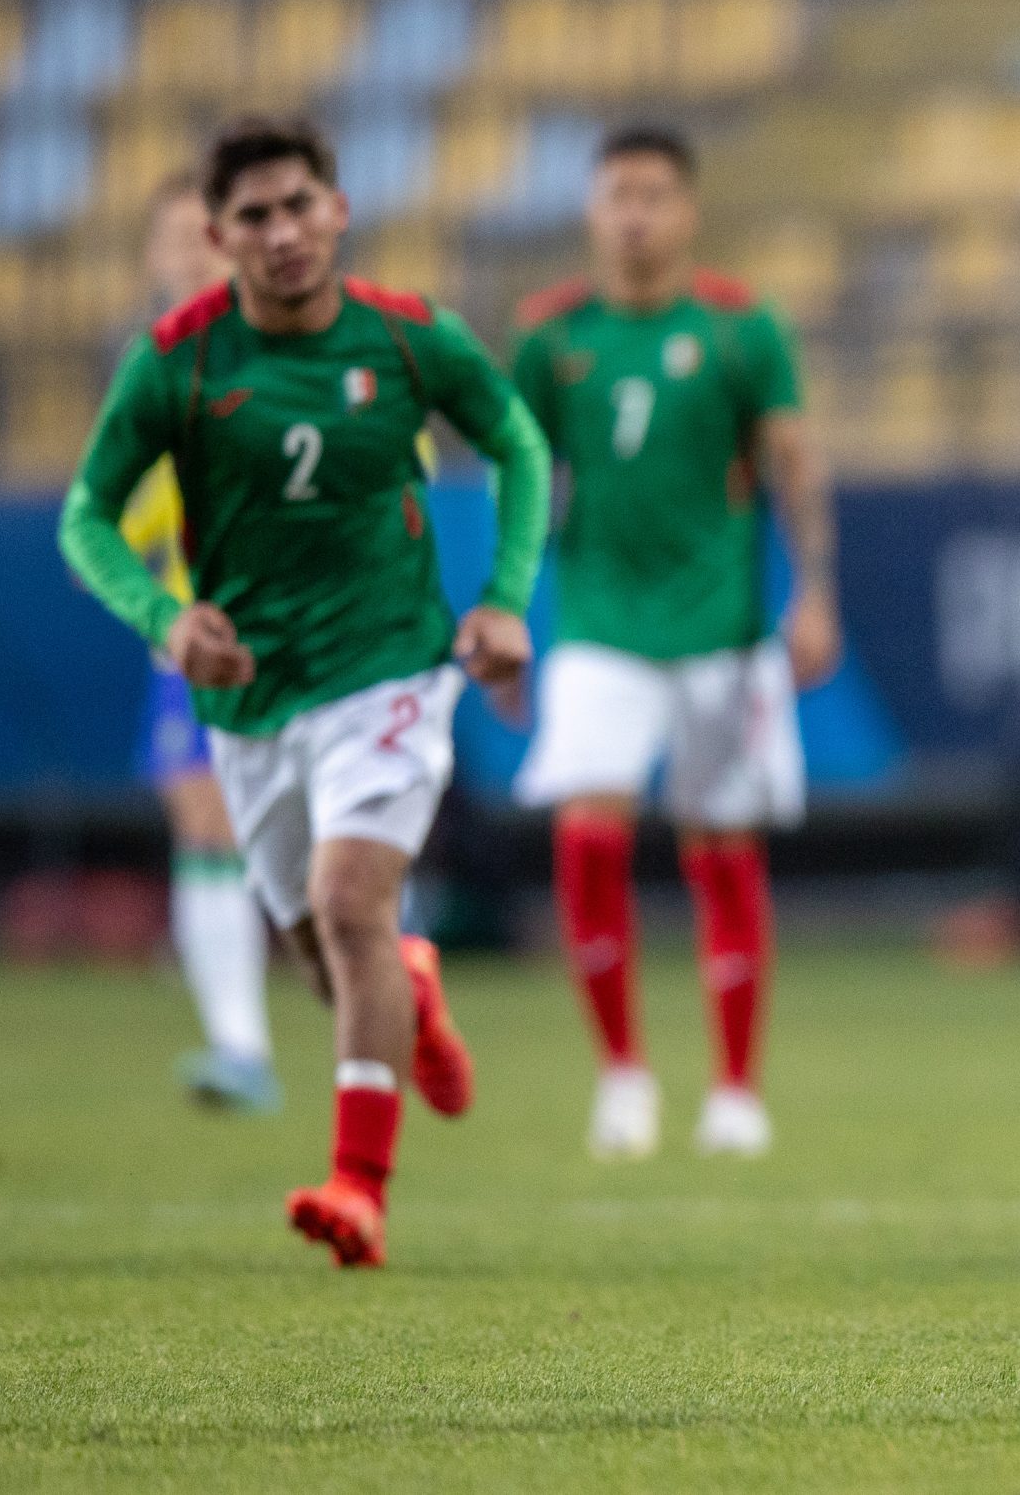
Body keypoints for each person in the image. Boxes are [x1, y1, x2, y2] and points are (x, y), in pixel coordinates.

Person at [59, 115, 552, 1267]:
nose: (281, 234)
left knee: (347, 903)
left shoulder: (412, 337)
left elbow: (520, 445)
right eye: (254, 217)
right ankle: (413, 992)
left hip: (390, 667)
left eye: (299, 207)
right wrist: (163, 617)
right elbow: (85, 518)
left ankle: (357, 1188)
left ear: (336, 210)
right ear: (216, 234)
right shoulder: (176, 359)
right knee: (318, 950)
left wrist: (506, 596)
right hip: (251, 699)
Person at [509, 126, 841, 1161]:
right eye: (619, 195)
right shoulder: (550, 337)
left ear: (686, 210)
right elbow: (521, 483)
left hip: (723, 633)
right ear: (592, 211)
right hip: (599, 628)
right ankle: (622, 1074)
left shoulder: (742, 331)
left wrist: (815, 595)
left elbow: (792, 464)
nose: (636, 214)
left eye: (655, 195)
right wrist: (503, 614)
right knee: (587, 838)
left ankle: (735, 1090)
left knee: (721, 852)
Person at [120, 172, 277, 1113]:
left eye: (200, 236)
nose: (186, 255)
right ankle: (239, 1043)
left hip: (295, 634)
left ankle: (388, 996)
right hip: (195, 643)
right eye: (170, 238)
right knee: (202, 821)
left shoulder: (275, 351)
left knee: (301, 848)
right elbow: (108, 519)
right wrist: (150, 607)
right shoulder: (148, 372)